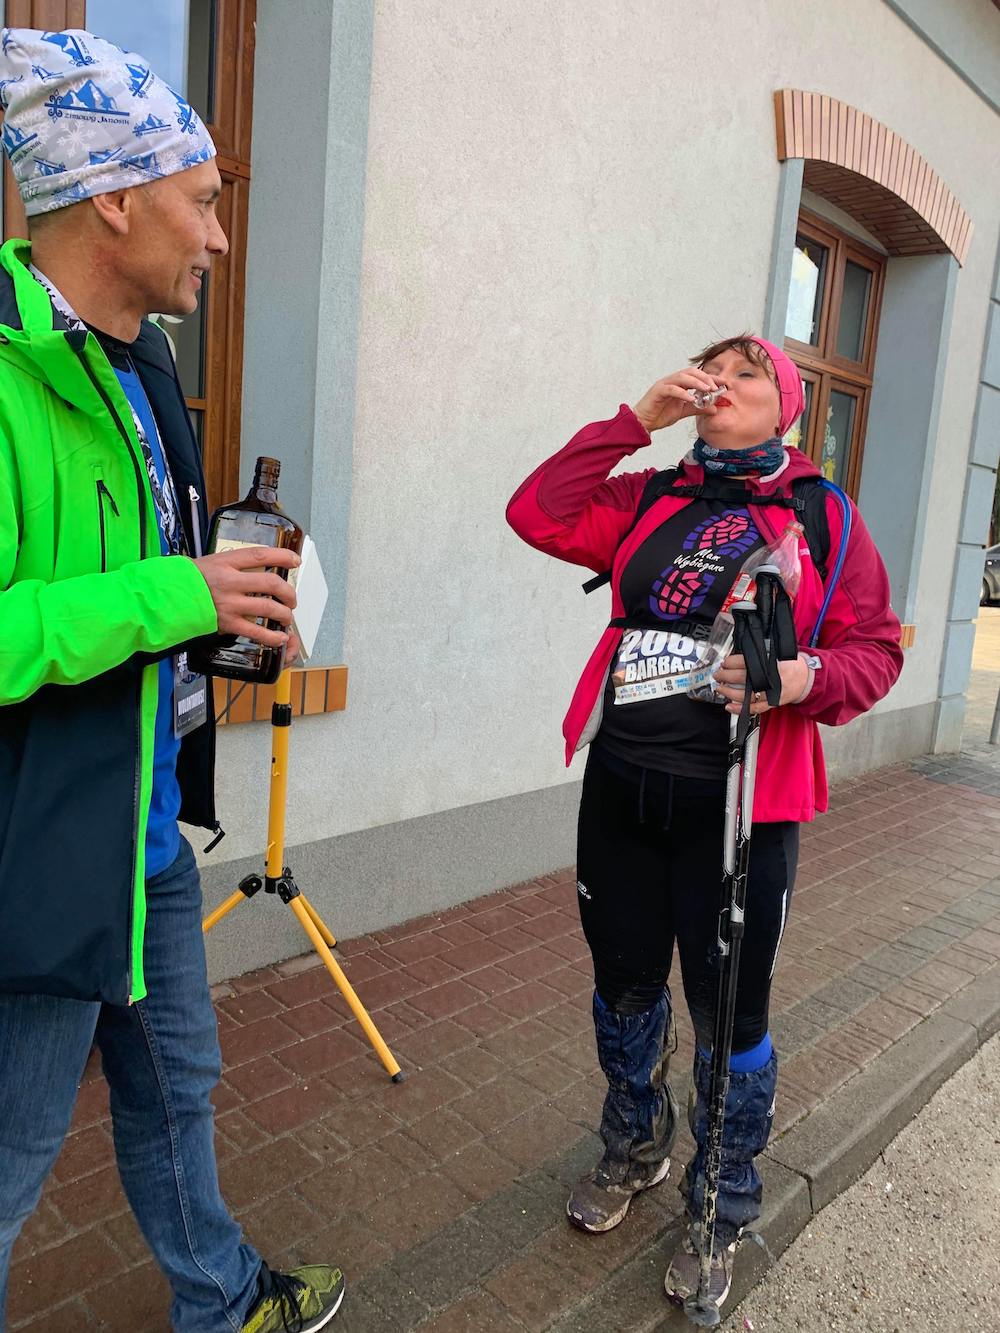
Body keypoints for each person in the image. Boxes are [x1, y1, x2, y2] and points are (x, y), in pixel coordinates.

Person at [0, 29, 345, 1333]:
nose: (220, 237)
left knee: (175, 1090)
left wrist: (231, 613)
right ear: (114, 199)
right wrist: (176, 595)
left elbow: (150, 584)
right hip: (32, 861)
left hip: (141, 841)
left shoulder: (144, 364)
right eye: (202, 202)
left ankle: (223, 1300)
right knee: (9, 1166)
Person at [506, 333, 903, 1320]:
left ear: (789, 405)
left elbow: (876, 649)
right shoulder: (653, 495)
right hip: (622, 785)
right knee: (623, 984)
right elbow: (537, 511)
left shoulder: (822, 513)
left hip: (738, 808)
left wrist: (801, 677)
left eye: (749, 369)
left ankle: (721, 1202)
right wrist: (636, 419)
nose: (724, 379)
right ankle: (636, 1143)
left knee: (731, 1011)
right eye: (712, 365)